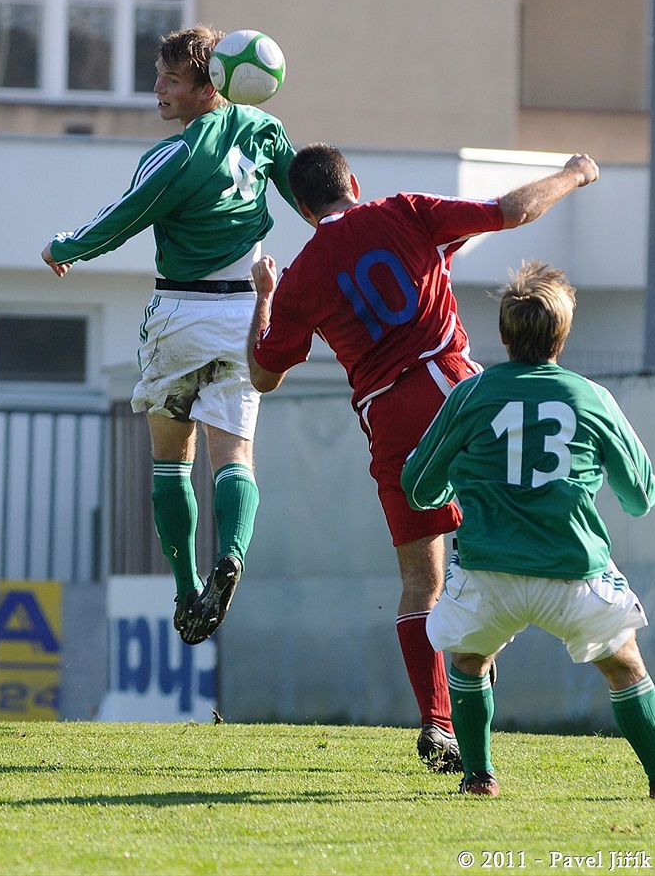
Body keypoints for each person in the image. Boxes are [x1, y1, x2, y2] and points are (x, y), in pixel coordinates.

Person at [246, 143, 599, 770]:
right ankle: (493, 680)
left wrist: (265, 296)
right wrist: (574, 174)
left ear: (302, 208)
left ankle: (440, 722)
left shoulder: (301, 275)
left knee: (420, 582)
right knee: (500, 551)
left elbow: (264, 374)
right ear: (353, 181)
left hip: (389, 416)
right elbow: (510, 211)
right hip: (457, 394)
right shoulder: (404, 211)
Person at [41, 24, 301, 646]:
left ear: (209, 85)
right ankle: (232, 555)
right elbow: (306, 194)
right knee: (233, 457)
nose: (156, 89)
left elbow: (126, 215)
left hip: (180, 316)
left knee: (169, 458)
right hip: (245, 315)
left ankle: (186, 589)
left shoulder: (176, 155)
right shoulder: (263, 131)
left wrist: (66, 247)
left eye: (170, 80)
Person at [401, 260, 655, 800]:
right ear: (563, 333)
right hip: (573, 574)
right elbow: (641, 494)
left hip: (491, 574)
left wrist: (456, 490)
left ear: (504, 334)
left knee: (467, 659)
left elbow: (418, 486)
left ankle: (479, 778)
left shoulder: (471, 394)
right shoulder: (590, 396)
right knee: (625, 664)